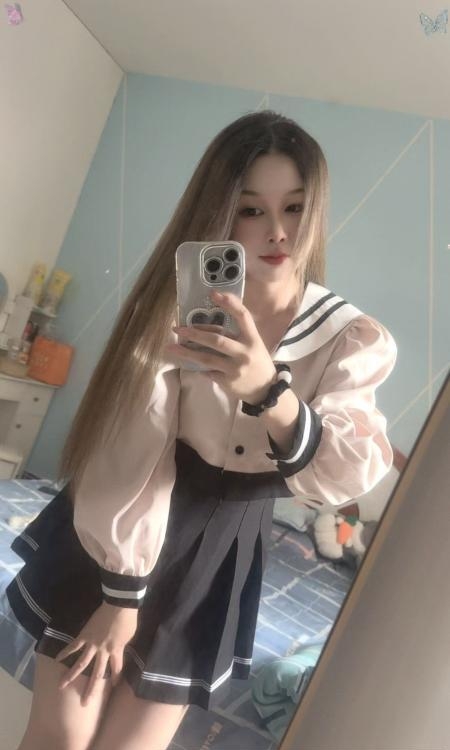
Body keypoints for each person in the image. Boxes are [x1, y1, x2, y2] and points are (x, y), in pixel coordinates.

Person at [6, 110, 397, 750]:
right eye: (251, 210)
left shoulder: (348, 338)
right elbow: (131, 447)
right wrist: (120, 598)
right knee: (61, 736)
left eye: (295, 207)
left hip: (220, 556)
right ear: (219, 215)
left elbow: (341, 476)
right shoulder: (180, 309)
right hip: (127, 518)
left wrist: (270, 393)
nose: (277, 231)